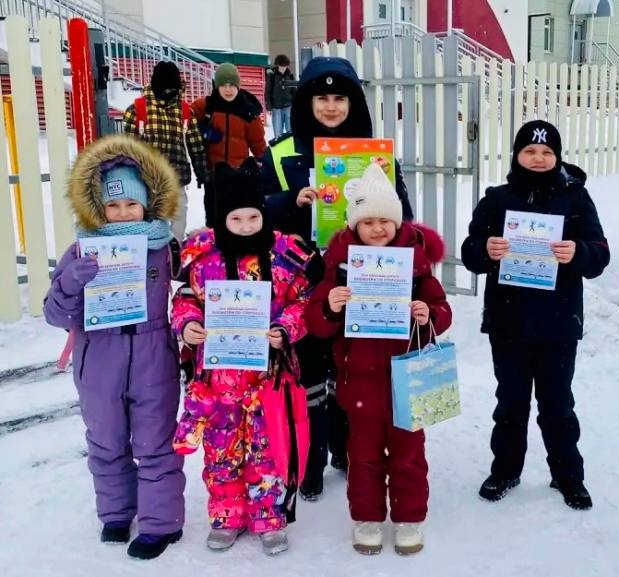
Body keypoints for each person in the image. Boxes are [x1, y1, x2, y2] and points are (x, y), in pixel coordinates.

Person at [260, 56, 414, 500]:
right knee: (308, 369)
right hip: (301, 279)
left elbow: (401, 213)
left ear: (353, 103)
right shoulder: (283, 150)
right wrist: (291, 202)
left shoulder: (375, 154)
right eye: (321, 98)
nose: (330, 108)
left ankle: (348, 449)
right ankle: (310, 459)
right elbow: (252, 211)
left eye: (339, 98)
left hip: (360, 278)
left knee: (352, 364)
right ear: (307, 102)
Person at [43, 135, 186, 560]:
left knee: (156, 440)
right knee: (106, 441)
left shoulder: (166, 250)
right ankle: (117, 513)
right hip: (97, 359)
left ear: (147, 205)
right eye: (113, 205)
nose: (123, 213)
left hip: (152, 355)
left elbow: (195, 291)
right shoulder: (80, 250)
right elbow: (54, 313)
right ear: (98, 208)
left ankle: (161, 522)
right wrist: (72, 281)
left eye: (131, 205)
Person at [460, 120, 610, 511]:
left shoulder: (576, 198)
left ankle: (567, 476)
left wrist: (578, 252)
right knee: (510, 403)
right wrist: (486, 249)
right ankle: (505, 470)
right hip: (508, 321)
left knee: (557, 404)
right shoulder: (497, 198)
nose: (539, 159)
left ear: (557, 156)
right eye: (530, 151)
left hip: (557, 322)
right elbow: (470, 251)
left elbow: (599, 253)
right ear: (517, 155)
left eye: (546, 152)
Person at [304, 163, 452, 556]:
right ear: (354, 225)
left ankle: (408, 518)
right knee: (364, 457)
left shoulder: (416, 264)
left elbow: (442, 309)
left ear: (397, 220)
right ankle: (367, 518)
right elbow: (316, 322)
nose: (377, 229)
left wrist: (428, 313)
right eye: (367, 221)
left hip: (408, 379)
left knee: (408, 455)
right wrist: (332, 307)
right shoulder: (340, 267)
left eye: (384, 220)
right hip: (361, 381)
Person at [171, 159, 315, 556]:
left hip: (268, 376)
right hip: (217, 380)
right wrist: (187, 326)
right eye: (238, 218)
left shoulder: (284, 258)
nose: (248, 225)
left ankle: (268, 516)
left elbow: (302, 300)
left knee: (267, 449)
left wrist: (285, 329)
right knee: (222, 448)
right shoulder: (203, 261)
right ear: (222, 220)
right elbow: (184, 301)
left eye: (254, 216)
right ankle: (228, 514)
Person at [123, 61, 208, 239]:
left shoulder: (185, 111)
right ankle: (154, 254)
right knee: (152, 220)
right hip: (147, 180)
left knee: (179, 219)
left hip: (177, 177)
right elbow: (128, 149)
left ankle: (175, 252)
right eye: (165, 89)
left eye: (173, 89)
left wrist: (203, 173)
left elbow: (196, 145)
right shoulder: (137, 110)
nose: (169, 93)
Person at [192, 63, 267, 226]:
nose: (228, 89)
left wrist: (266, 161)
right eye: (223, 85)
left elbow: (257, 141)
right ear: (216, 86)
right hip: (213, 172)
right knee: (213, 211)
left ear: (238, 86)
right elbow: (188, 118)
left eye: (232, 85)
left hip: (238, 173)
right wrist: (203, 130)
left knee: (234, 210)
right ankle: (213, 237)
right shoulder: (207, 106)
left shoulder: (247, 111)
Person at [266, 54, 296, 138]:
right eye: (281, 66)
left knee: (291, 133)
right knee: (278, 134)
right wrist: (269, 107)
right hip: (276, 108)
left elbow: (294, 91)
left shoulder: (290, 75)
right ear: (277, 65)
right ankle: (279, 150)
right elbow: (267, 92)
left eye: (285, 66)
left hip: (288, 107)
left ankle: (291, 150)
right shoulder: (272, 76)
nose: (283, 68)